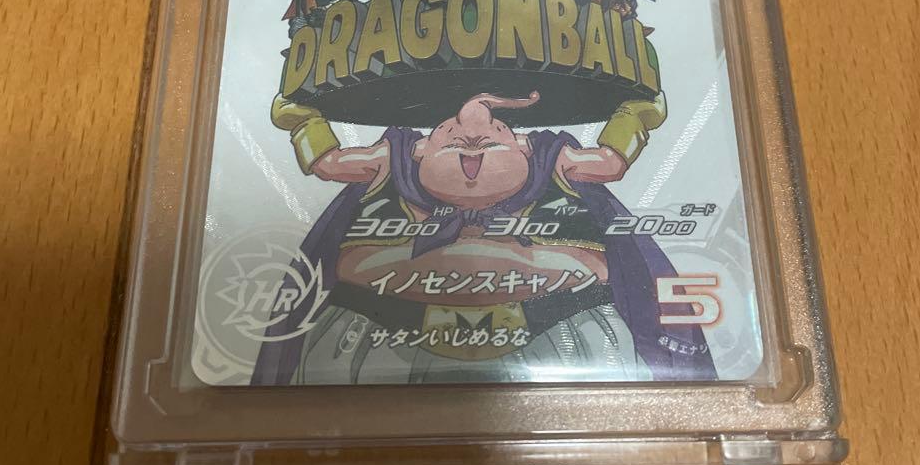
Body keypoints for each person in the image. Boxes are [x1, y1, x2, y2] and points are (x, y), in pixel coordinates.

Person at [253, 90, 715, 385]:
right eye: (450, 132)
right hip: (373, 333)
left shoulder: (551, 157)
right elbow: (328, 164)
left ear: (523, 146)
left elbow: (610, 163)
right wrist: (303, 123)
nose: (471, 135)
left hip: (567, 332)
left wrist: (635, 116)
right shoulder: (392, 156)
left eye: (496, 129)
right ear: (422, 147)